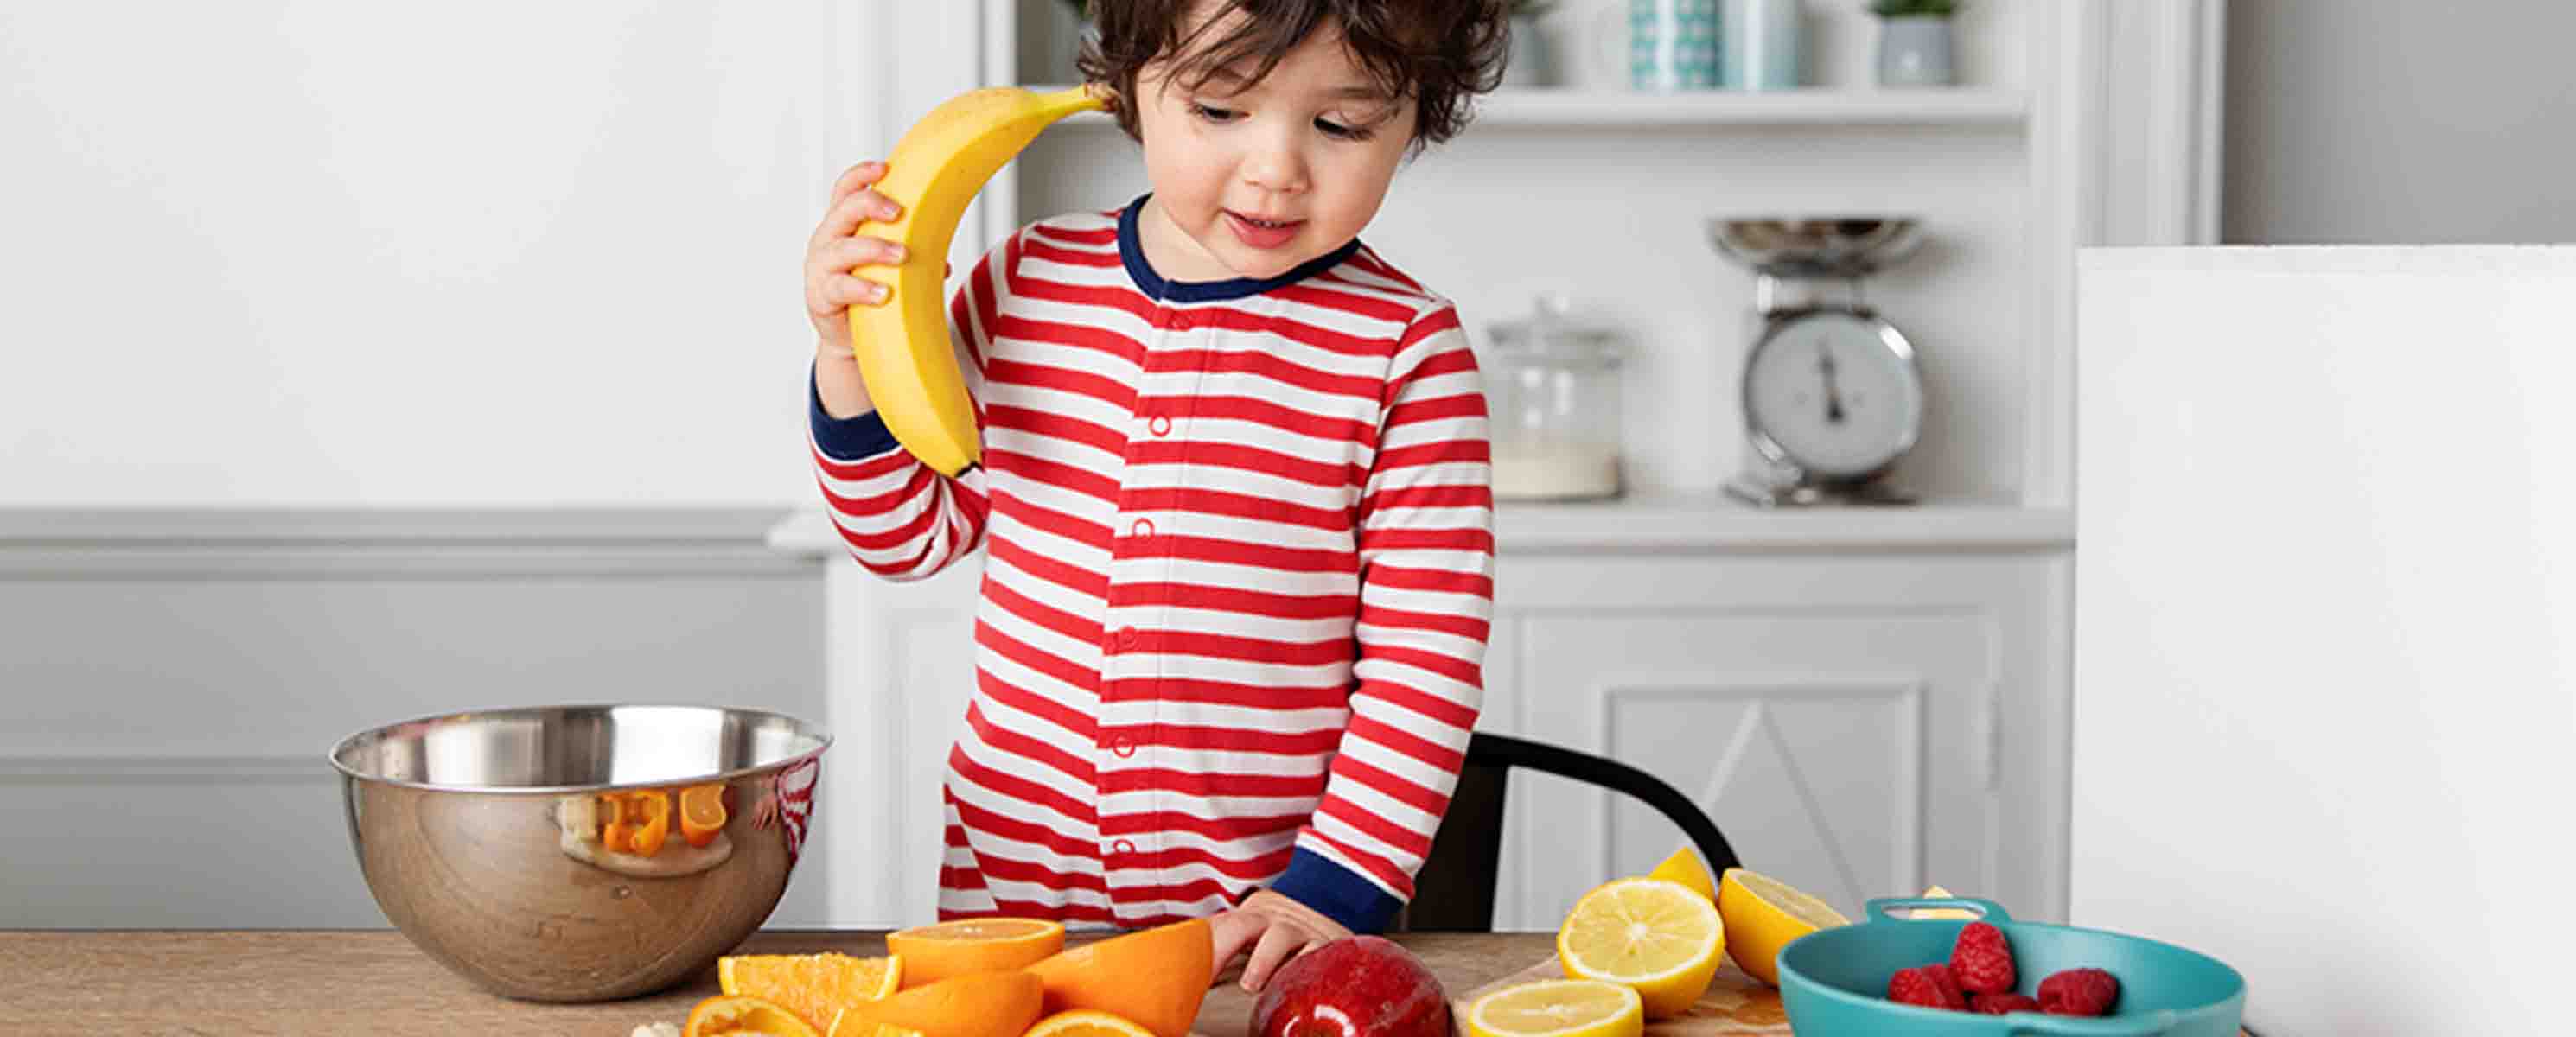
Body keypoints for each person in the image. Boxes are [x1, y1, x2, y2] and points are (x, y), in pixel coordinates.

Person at [799, 0, 1507, 993]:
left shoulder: (1406, 352)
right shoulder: (1025, 284)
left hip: (1258, 929)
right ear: (1129, 83)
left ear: (1416, 118)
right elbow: (906, 535)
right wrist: (846, 359)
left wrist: (1332, 890)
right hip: (1013, 900)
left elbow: (1425, 663)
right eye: (1220, 109)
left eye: (1341, 126)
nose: (1275, 169)